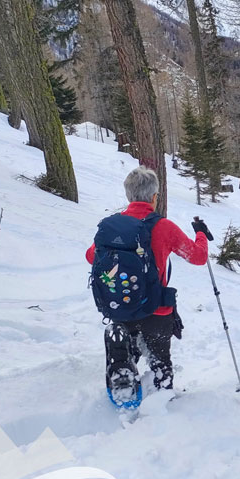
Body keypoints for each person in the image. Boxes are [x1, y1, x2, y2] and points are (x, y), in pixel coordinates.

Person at [86, 167, 213, 405]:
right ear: (154, 197)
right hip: (156, 309)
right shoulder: (163, 227)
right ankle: (161, 403)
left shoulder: (112, 228)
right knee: (160, 363)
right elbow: (197, 257)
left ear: (128, 196)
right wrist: (201, 234)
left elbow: (91, 257)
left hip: (121, 306)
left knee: (125, 353)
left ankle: (123, 381)